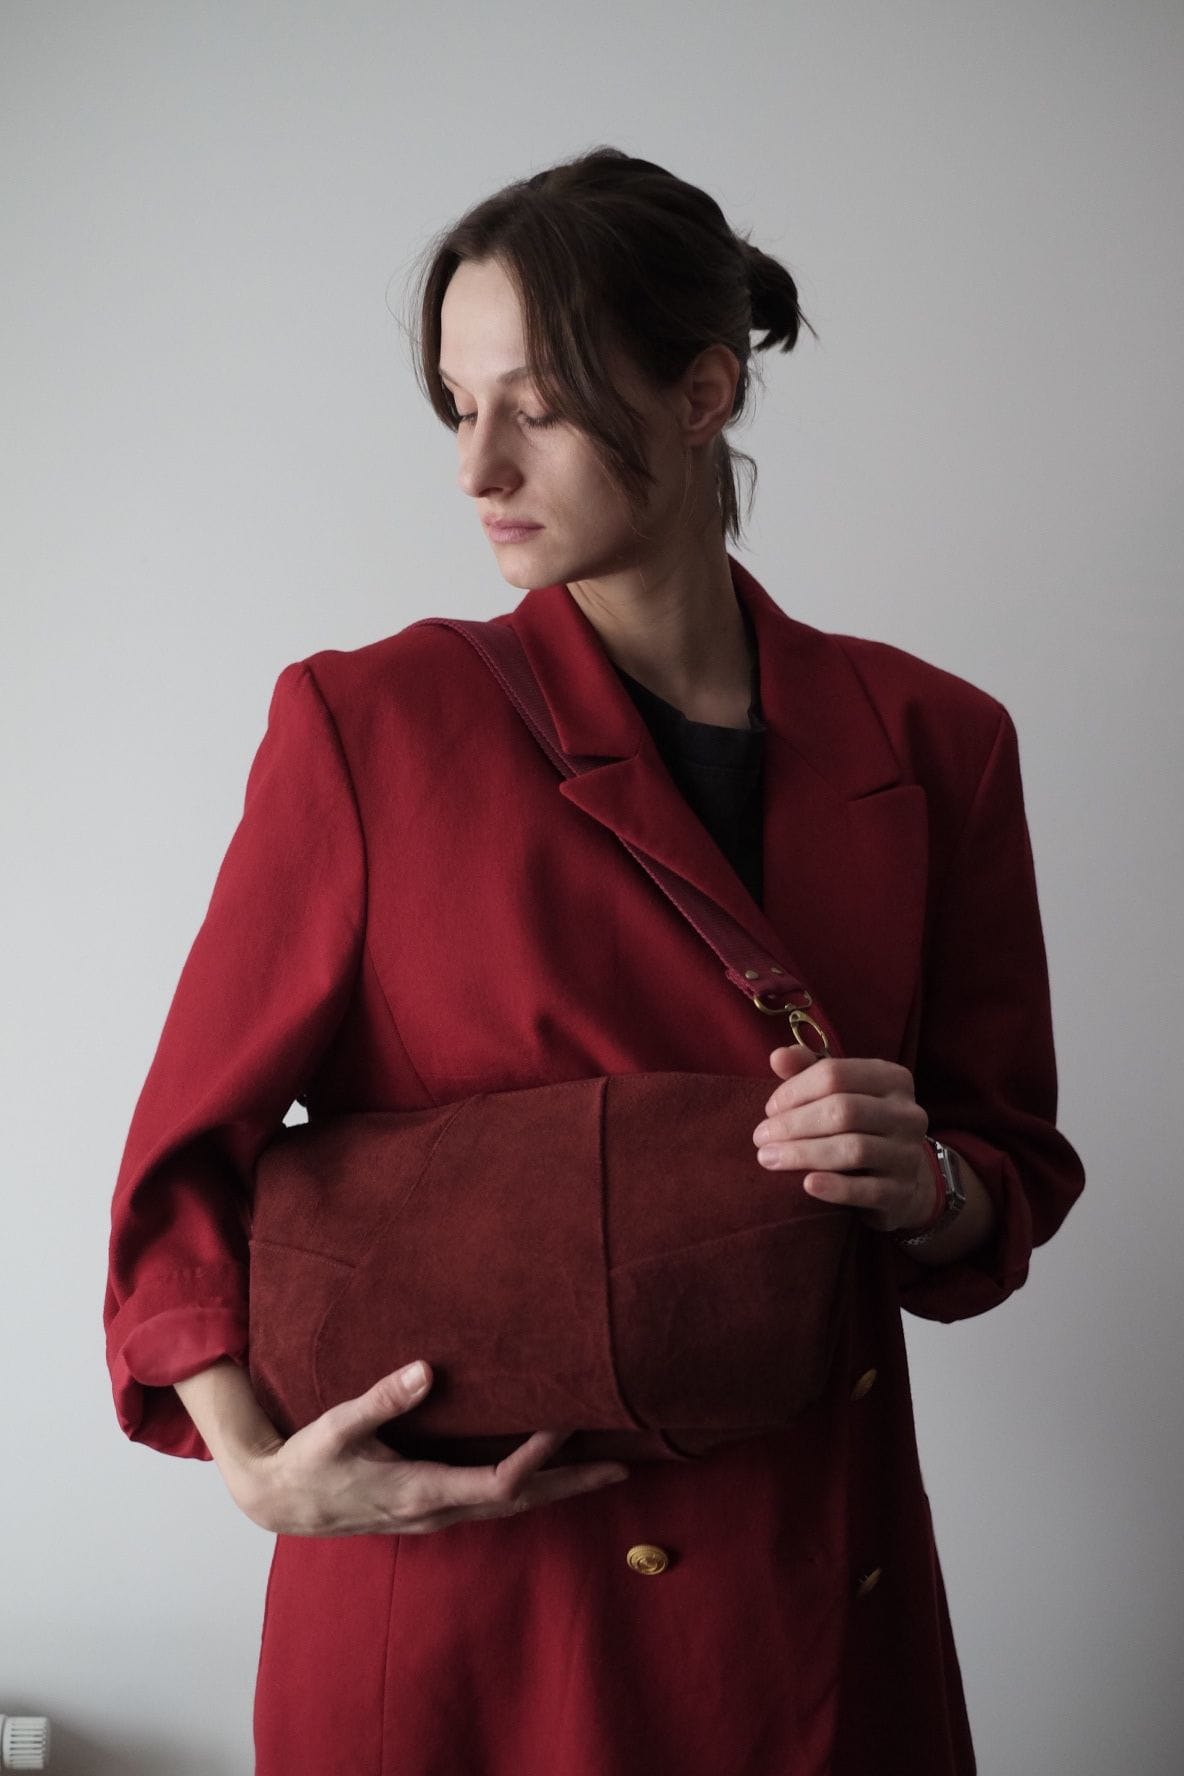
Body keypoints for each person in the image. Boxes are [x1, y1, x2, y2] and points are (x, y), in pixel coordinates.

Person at [104, 145, 1085, 1775]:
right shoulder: (370, 725)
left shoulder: (937, 742)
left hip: (808, 1598)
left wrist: (928, 1185)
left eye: (538, 406)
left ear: (704, 393)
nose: (477, 465)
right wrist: (257, 1469)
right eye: (455, 406)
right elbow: (183, 1162)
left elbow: (1011, 1166)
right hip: (480, 1617)